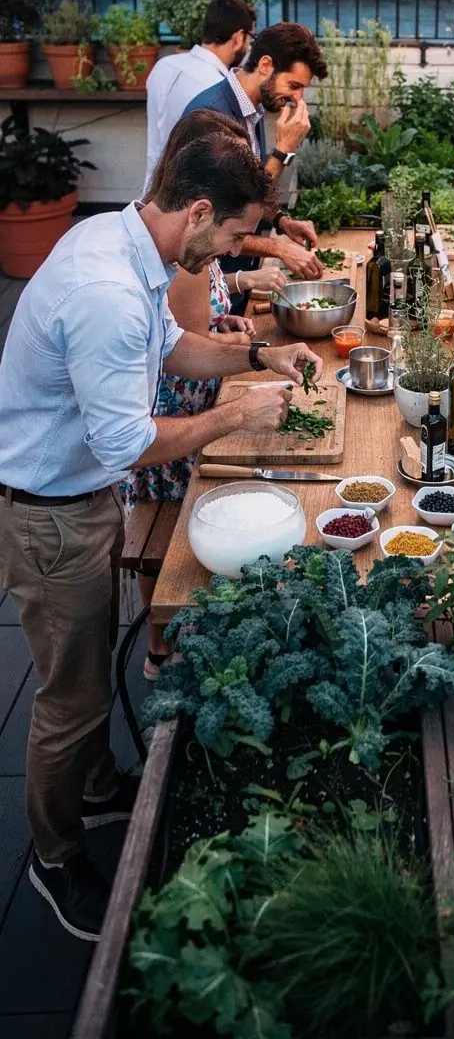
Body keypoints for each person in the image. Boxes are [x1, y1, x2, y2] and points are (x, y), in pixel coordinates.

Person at [0, 129, 322, 941]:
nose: (236, 249)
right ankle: (54, 855)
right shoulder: (108, 288)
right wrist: (233, 417)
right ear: (201, 210)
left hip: (78, 497)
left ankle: (99, 785)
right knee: (68, 697)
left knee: (86, 662)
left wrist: (256, 354)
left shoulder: (125, 238)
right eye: (236, 234)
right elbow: (129, 444)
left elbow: (172, 348)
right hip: (49, 512)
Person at [124, 109, 287, 679]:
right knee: (176, 536)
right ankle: (164, 644)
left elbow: (184, 330)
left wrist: (249, 345)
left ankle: (166, 640)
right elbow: (181, 350)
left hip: (175, 407)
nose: (239, 245)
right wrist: (240, 407)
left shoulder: (170, 235)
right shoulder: (181, 254)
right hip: (174, 413)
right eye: (237, 234)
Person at [184, 22, 329, 282]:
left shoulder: (253, 107)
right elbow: (222, 218)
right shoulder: (212, 118)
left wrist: (281, 221)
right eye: (294, 85)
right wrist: (283, 151)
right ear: (265, 65)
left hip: (235, 277)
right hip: (208, 283)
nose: (298, 98)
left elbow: (252, 181)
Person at [144, 0, 257, 188]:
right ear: (238, 38)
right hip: (187, 200)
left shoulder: (163, 66)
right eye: (250, 38)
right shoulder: (219, 90)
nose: (249, 47)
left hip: (150, 192)